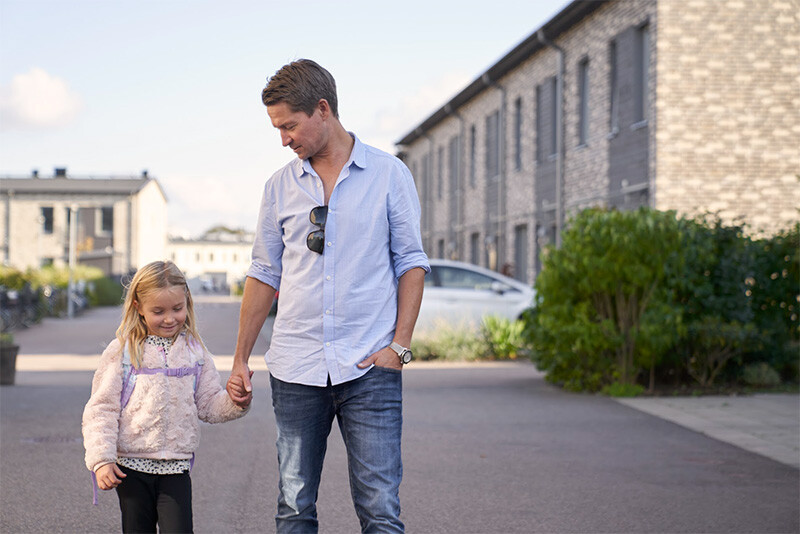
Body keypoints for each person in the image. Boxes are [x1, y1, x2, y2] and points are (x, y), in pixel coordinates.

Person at [226, 59, 429, 533]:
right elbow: (262, 272)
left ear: (323, 110)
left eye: (290, 126)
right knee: (294, 506)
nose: (284, 139)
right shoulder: (279, 186)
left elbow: (411, 264)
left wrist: (399, 347)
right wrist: (240, 358)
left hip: (369, 367)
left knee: (380, 509)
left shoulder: (389, 174)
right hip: (296, 367)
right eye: (277, 129)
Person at [82, 260, 250, 533]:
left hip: (176, 467)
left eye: (177, 309)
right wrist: (102, 459)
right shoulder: (122, 351)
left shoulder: (195, 351)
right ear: (139, 307)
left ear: (187, 303)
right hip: (130, 467)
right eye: (158, 311)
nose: (170, 318)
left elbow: (208, 405)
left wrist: (236, 400)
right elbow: (101, 408)